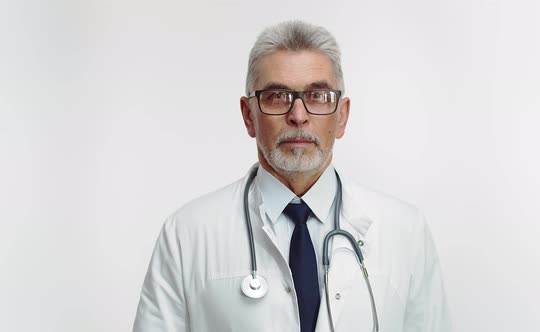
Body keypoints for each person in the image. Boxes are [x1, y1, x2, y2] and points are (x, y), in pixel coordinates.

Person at [133, 20, 451, 332]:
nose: (298, 116)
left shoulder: (405, 231)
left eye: (318, 97)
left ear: (342, 116)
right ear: (248, 116)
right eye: (277, 97)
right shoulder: (187, 234)